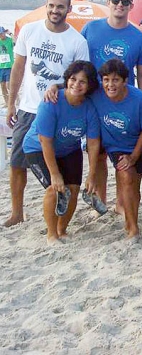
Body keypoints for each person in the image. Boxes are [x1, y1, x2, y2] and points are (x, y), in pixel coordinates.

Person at [4, 0, 90, 228]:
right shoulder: (30, 31)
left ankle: (57, 209)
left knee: (58, 164)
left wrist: (58, 85)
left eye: (60, 6)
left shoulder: (77, 41)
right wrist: (11, 104)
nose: (55, 10)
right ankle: (17, 212)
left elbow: (80, 79)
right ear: (46, 5)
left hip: (57, 111)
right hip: (29, 107)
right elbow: (18, 68)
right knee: (17, 163)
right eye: (52, 5)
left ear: (68, 10)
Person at [79, 0, 142, 211]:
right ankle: (100, 200)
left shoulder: (138, 37)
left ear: (131, 6)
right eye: (116, 0)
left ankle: (122, 203)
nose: (120, 5)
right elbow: (78, 64)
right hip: (94, 101)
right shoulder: (90, 29)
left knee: (123, 156)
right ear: (108, 2)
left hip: (124, 103)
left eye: (125, 2)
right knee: (96, 152)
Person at [22, 61, 100, 245]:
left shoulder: (89, 107)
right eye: (73, 79)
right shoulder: (52, 102)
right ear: (67, 79)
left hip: (69, 148)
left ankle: (62, 229)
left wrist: (92, 174)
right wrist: (55, 174)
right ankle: (51, 234)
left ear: (89, 86)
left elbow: (93, 143)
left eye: (83, 82)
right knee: (55, 189)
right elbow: (45, 141)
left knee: (73, 189)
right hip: (37, 147)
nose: (76, 85)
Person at [90, 59, 142, 239]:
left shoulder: (139, 98)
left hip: (138, 144)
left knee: (134, 186)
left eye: (115, 80)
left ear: (125, 81)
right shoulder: (97, 94)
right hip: (115, 146)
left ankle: (131, 219)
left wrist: (134, 156)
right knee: (126, 176)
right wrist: (54, 87)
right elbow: (72, 88)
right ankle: (132, 228)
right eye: (106, 80)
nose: (110, 85)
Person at [0, 26, 14, 105]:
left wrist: (10, 33)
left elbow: (17, 41)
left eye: (1, 33)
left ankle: (16, 99)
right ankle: (7, 103)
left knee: (9, 85)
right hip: (1, 67)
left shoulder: (9, 40)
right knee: (2, 85)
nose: (1, 35)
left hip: (9, 66)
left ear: (4, 32)